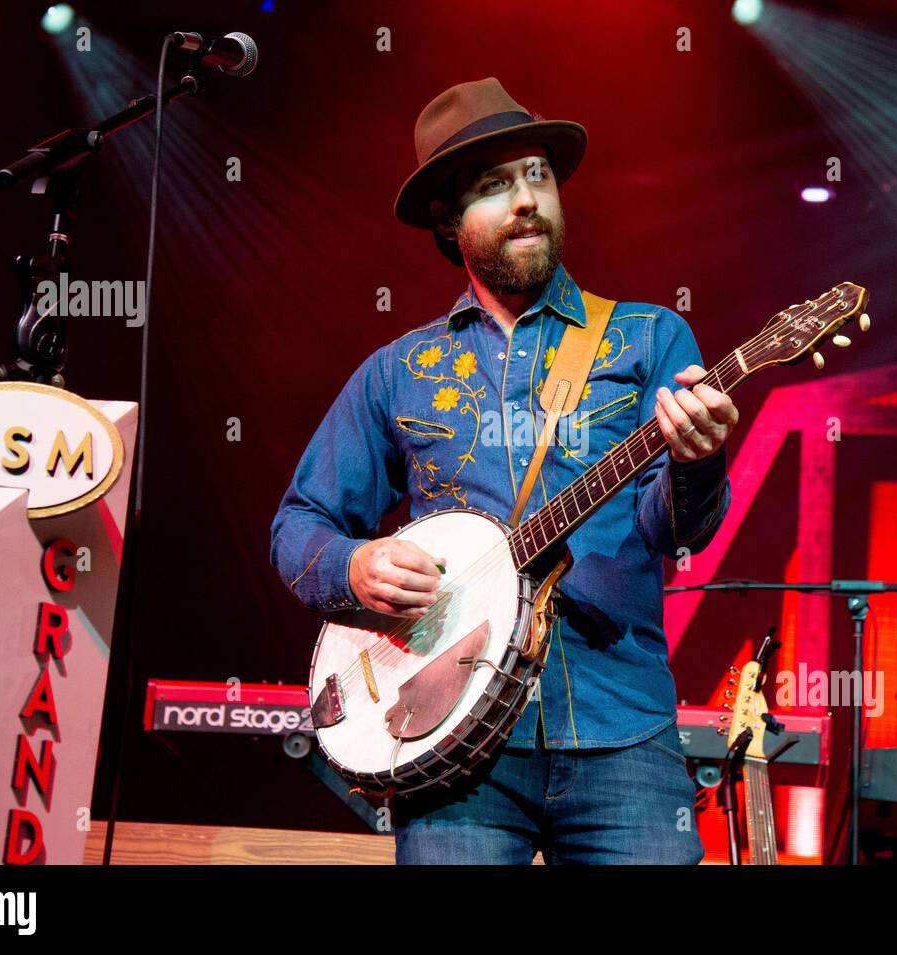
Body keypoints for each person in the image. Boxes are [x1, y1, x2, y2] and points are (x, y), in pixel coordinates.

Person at [270, 77, 738, 864]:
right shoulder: (400, 370)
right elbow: (297, 526)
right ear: (450, 223)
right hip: (451, 746)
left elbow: (677, 530)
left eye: (538, 176)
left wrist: (698, 459)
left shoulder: (647, 338)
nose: (527, 199)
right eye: (495, 185)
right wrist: (356, 563)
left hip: (621, 725)